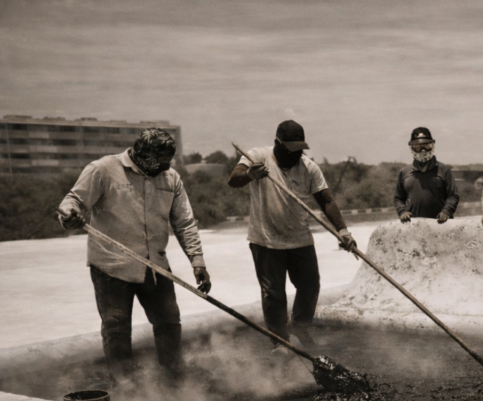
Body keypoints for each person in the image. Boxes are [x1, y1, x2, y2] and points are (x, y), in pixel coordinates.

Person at [58, 128, 211, 386]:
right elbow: (72, 201)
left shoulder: (170, 178)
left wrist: (197, 260)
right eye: (159, 162)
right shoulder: (104, 170)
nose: (164, 167)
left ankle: (174, 381)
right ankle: (125, 387)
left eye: (167, 162)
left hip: (155, 265)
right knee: (116, 328)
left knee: (169, 322)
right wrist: (70, 216)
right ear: (142, 154)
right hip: (111, 266)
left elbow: (184, 222)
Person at [228, 120, 356, 352]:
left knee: (310, 286)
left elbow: (326, 200)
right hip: (266, 241)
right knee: (274, 295)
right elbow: (234, 179)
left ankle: (300, 326)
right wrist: (250, 174)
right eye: (291, 149)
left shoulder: (308, 168)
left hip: (300, 240)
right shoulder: (259, 156)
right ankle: (280, 340)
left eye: (300, 149)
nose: (296, 154)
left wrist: (342, 230)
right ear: (278, 143)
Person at [394, 127, 459, 224]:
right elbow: (398, 198)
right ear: (412, 148)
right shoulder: (404, 172)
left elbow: (453, 195)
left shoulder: (444, 170)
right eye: (418, 147)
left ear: (432, 145)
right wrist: (402, 211)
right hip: (414, 226)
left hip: (441, 225)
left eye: (426, 146)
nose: (423, 151)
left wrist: (446, 211)